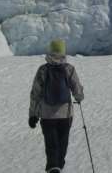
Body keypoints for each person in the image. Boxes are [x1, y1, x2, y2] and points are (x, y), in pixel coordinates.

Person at [29, 39, 84, 173]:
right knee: (62, 145)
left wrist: (33, 114)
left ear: (50, 51)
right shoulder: (69, 69)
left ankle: (53, 168)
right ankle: (58, 167)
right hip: (65, 115)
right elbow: (77, 89)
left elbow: (35, 94)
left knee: (51, 146)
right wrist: (79, 98)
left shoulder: (43, 70)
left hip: (47, 116)